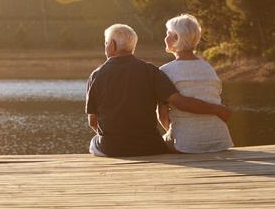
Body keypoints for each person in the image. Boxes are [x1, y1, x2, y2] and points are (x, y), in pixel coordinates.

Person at [86, 23, 231, 157]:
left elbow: (93, 122)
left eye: (106, 43)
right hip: (150, 146)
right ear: (133, 47)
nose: (105, 47)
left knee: (94, 143)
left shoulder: (96, 75)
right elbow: (178, 101)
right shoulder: (151, 71)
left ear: (112, 45)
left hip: (112, 148)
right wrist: (216, 109)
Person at [157, 14, 234, 153]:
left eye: (168, 34)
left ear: (176, 38)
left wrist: (176, 133)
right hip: (219, 140)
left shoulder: (165, 71)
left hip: (186, 144)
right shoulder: (208, 68)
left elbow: (162, 114)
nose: (165, 38)